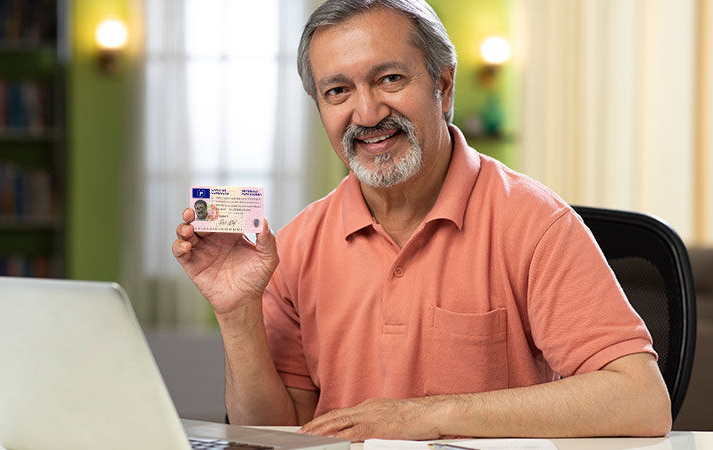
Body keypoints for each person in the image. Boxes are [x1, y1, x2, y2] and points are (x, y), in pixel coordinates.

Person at [173, 0, 671, 441]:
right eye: (338, 91)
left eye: (390, 79)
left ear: (443, 83)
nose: (366, 113)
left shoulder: (535, 223)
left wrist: (428, 415)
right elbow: (273, 434)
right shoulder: (298, 242)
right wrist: (238, 314)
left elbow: (641, 400)